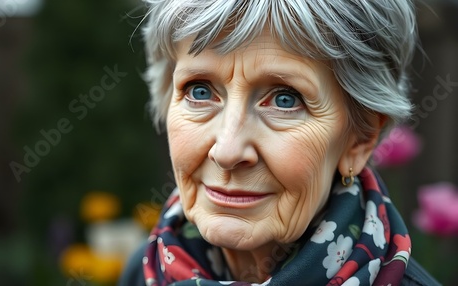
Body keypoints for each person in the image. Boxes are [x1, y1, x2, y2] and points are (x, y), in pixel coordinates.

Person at [121, 0, 441, 285]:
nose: (227, 151)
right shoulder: (144, 271)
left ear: (360, 139)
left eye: (285, 100)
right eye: (199, 91)